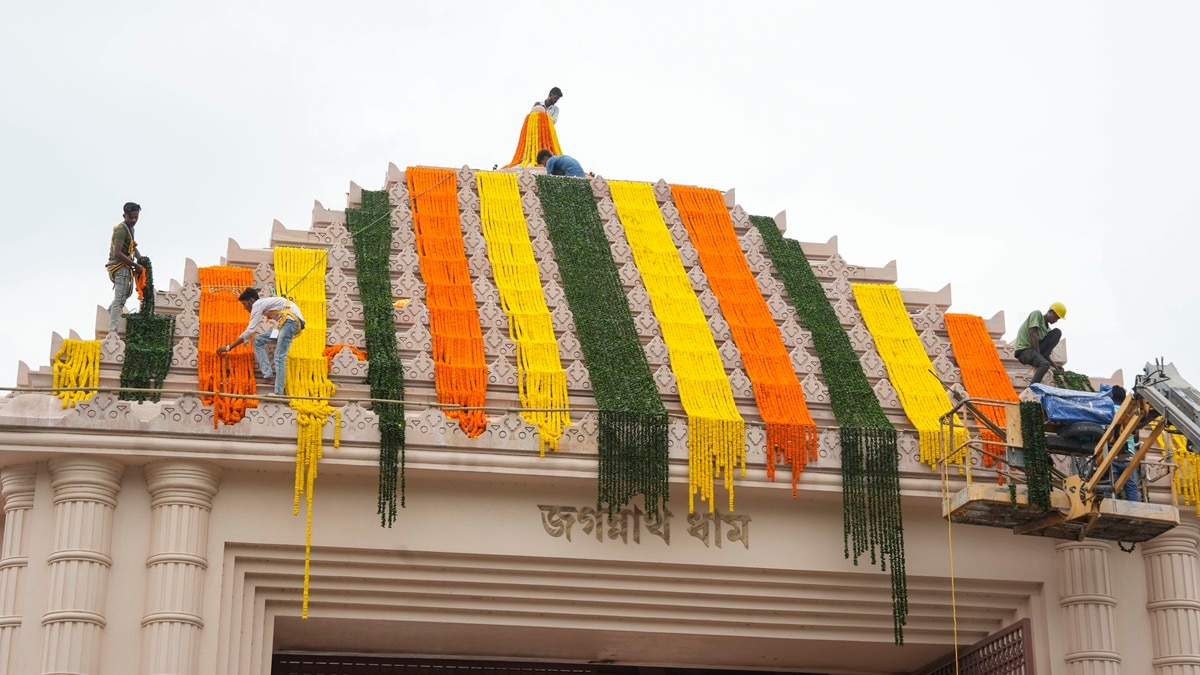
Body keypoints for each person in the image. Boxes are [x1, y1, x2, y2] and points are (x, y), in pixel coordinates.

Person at [217, 288, 305, 396]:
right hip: (287, 323)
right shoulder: (265, 303)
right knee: (258, 340)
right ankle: (268, 376)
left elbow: (250, 330)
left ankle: (278, 393)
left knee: (279, 356)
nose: (245, 308)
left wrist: (228, 347)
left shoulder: (257, 304)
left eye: (244, 304)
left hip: (290, 322)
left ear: (251, 300)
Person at [106, 202, 145, 333]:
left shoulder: (130, 229)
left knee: (126, 293)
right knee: (120, 299)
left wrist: (141, 260)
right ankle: (112, 330)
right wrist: (135, 265)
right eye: (130, 217)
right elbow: (118, 253)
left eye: (136, 217)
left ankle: (109, 313)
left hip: (126, 265)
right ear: (124, 216)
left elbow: (132, 247)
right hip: (119, 266)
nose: (134, 220)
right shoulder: (121, 229)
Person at [1013, 302, 1067, 385]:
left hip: (1034, 351)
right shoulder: (1037, 314)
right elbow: (1033, 334)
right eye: (1056, 317)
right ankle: (1032, 389)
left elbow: (1045, 352)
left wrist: (1055, 366)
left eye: (1058, 319)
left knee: (1057, 332)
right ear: (1050, 312)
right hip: (1024, 351)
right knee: (1044, 364)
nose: (1056, 320)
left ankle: (1042, 360)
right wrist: (1040, 357)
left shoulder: (1047, 330)